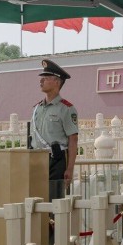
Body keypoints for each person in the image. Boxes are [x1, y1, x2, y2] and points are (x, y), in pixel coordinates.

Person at [30, 59, 78, 200]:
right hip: (36, 159)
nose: (41, 81)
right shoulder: (37, 108)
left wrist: (70, 168)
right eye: (41, 78)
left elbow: (73, 140)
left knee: (54, 200)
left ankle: (53, 223)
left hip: (56, 160)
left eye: (46, 78)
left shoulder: (67, 109)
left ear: (57, 82)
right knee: (36, 199)